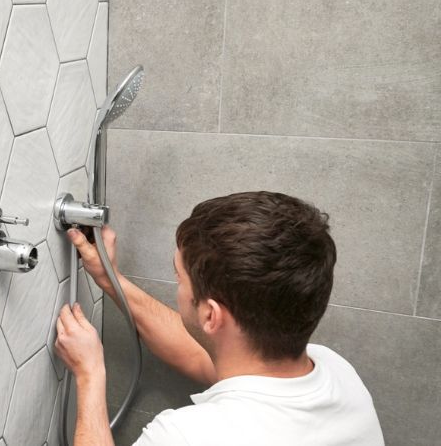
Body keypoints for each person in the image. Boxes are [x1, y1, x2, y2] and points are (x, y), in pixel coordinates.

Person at [54, 191, 384, 446]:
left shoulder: (188, 436)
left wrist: (90, 374)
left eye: (179, 277)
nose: (179, 286)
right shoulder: (339, 375)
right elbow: (201, 356)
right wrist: (113, 281)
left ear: (211, 315)